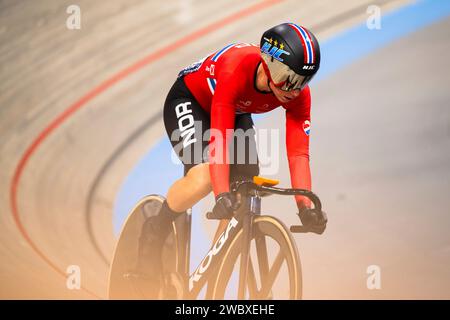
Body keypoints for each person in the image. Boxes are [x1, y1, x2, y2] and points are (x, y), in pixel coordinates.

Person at [134, 22, 327, 295]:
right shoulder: (236, 69)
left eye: (303, 80)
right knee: (205, 178)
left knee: (243, 193)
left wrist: (305, 206)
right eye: (288, 78)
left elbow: (298, 153)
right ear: (269, 62)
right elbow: (220, 141)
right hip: (191, 99)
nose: (294, 89)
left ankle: (214, 278)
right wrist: (220, 193)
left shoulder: (297, 96)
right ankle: (157, 228)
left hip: (235, 108)